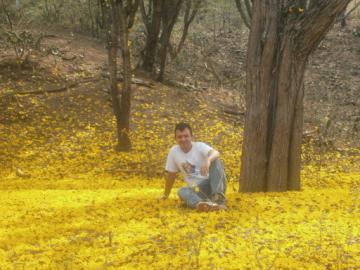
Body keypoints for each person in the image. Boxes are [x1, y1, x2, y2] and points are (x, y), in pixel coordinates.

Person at [161, 123, 227, 212]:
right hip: (197, 189)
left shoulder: (199, 146)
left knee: (215, 160)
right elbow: (171, 175)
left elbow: (216, 153)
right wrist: (166, 194)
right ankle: (202, 205)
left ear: (192, 137)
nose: (183, 139)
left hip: (214, 184)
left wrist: (208, 160)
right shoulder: (174, 152)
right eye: (179, 137)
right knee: (181, 191)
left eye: (186, 136)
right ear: (175, 139)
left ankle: (218, 199)